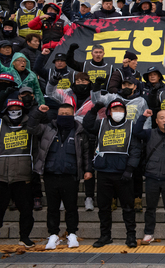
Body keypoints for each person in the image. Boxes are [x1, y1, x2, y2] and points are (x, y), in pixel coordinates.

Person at [29, 103, 91, 249]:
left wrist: (88, 170)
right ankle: (53, 235)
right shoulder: (47, 128)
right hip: (51, 174)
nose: (64, 116)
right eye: (61, 113)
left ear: (73, 114)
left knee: (71, 207)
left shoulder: (79, 131)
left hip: (70, 175)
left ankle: (72, 233)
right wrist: (37, 112)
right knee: (52, 208)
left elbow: (86, 153)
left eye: (67, 113)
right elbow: (31, 128)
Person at [83, 100, 141, 248]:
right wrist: (93, 110)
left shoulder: (130, 126)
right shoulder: (101, 124)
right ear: (109, 111)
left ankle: (131, 236)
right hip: (104, 172)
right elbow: (87, 125)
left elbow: (135, 150)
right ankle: (105, 236)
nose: (118, 112)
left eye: (121, 109)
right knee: (104, 207)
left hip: (123, 173)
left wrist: (130, 169)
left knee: (128, 207)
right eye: (115, 109)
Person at [133, 109, 165, 246]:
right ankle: (149, 233)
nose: (164, 120)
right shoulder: (150, 133)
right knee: (150, 207)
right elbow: (136, 131)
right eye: (161, 118)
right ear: (156, 120)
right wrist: (143, 117)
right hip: (152, 176)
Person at [0, 99, 36, 248]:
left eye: (17, 108)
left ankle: (24, 237)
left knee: (26, 209)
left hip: (23, 174)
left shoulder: (31, 125)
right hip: (1, 175)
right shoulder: (1, 124)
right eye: (11, 108)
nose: (14, 111)